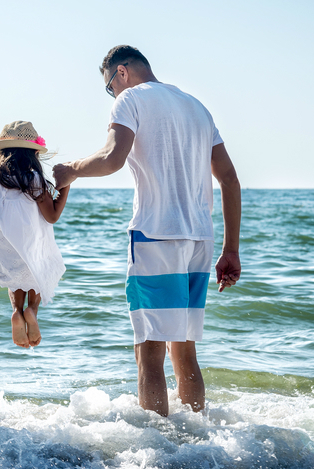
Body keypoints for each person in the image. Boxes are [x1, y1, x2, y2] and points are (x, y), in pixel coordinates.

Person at [53, 45, 241, 417]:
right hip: (200, 239)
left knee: (149, 349)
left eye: (109, 86)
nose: (112, 94)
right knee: (183, 349)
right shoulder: (196, 106)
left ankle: (159, 456)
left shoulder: (130, 100)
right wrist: (231, 249)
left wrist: (71, 170)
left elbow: (111, 159)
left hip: (156, 234)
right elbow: (230, 179)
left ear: (121, 72)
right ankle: (197, 444)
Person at [0, 121, 70, 348]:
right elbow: (52, 216)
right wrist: (65, 186)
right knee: (35, 274)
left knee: (14, 278)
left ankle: (17, 311)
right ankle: (31, 311)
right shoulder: (34, 180)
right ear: (33, 154)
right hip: (29, 246)